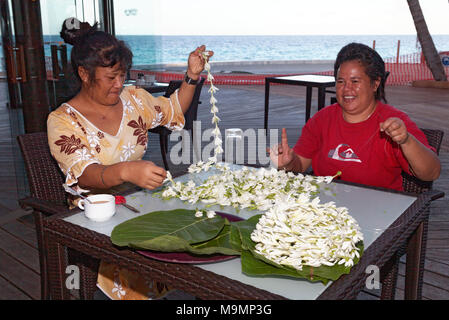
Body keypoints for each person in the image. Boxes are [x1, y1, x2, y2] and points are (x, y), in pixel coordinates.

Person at [47, 18, 212, 300]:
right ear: (84, 74)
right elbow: (86, 173)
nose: (119, 84)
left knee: (196, 229)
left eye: (123, 75)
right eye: (111, 78)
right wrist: (125, 171)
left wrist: (191, 76)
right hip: (96, 217)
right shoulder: (63, 120)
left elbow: (173, 109)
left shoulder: (134, 99)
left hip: (139, 201)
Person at [269, 42, 440, 191]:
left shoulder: (394, 122)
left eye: (355, 81)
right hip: (324, 210)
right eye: (341, 81)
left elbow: (431, 173)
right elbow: (300, 165)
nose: (346, 89)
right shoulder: (322, 119)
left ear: (375, 84)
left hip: (380, 212)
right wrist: (288, 163)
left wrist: (406, 141)